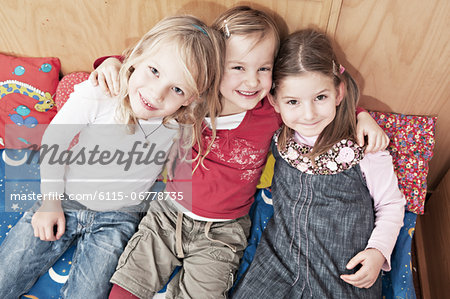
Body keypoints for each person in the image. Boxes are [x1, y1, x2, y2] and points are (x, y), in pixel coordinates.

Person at [93, 7, 389, 299]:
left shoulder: (271, 112)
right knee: (131, 280)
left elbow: (315, 102)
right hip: (167, 215)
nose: (251, 82)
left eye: (263, 69)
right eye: (238, 68)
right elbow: (148, 69)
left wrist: (360, 115)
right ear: (214, 65)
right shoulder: (191, 97)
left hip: (222, 232)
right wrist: (109, 63)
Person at [0, 15, 223, 299]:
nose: (156, 94)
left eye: (177, 89)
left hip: (119, 218)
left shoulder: (182, 124)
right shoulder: (103, 91)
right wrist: (50, 202)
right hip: (64, 198)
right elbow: (54, 139)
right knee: (5, 275)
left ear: (191, 98)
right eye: (154, 70)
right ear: (137, 57)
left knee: (88, 293)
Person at [231, 29, 406, 299]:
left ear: (338, 92)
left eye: (320, 98)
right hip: (280, 259)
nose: (309, 114)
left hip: (342, 270)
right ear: (274, 102)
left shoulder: (364, 147)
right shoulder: (278, 133)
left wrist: (378, 251)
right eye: (293, 102)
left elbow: (391, 204)